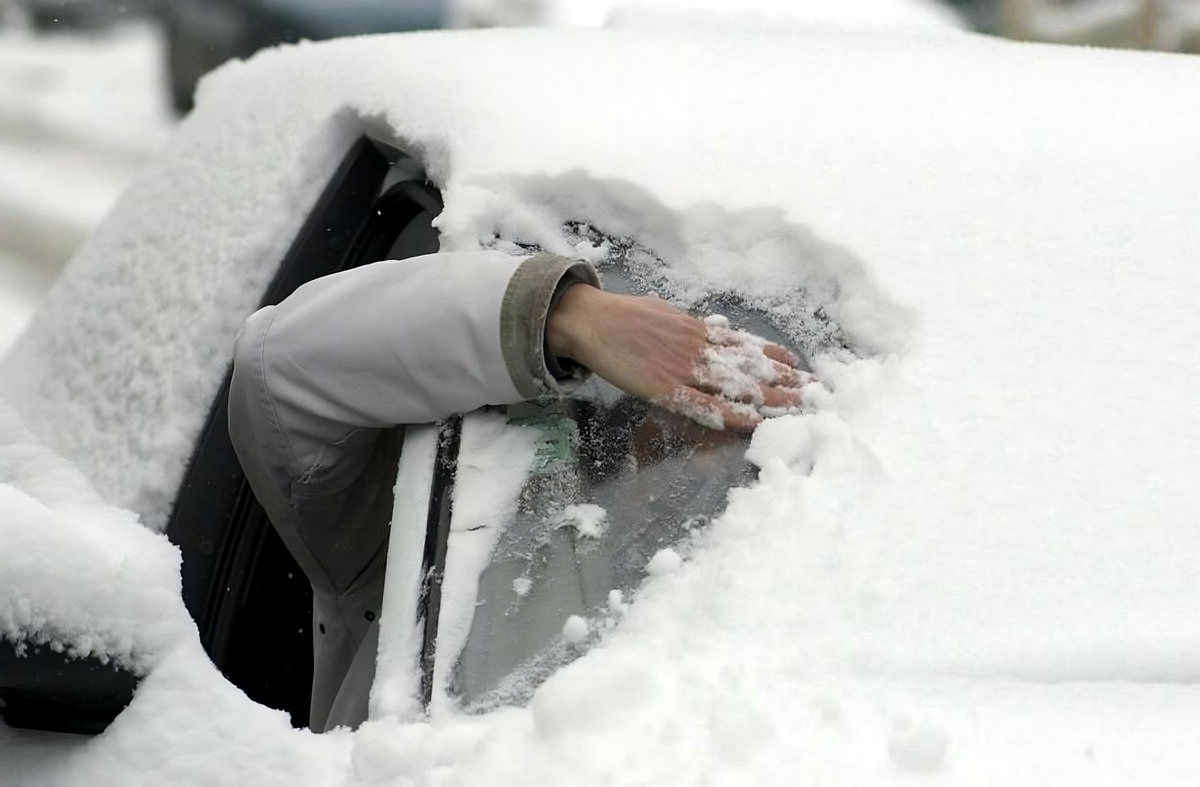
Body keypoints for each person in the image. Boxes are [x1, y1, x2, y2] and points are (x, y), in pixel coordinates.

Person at [228, 251, 806, 732]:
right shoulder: (459, 509)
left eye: (740, 451)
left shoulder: (762, 661)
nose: (706, 459)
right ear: (641, 408)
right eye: (696, 408)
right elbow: (278, 367)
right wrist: (564, 315)